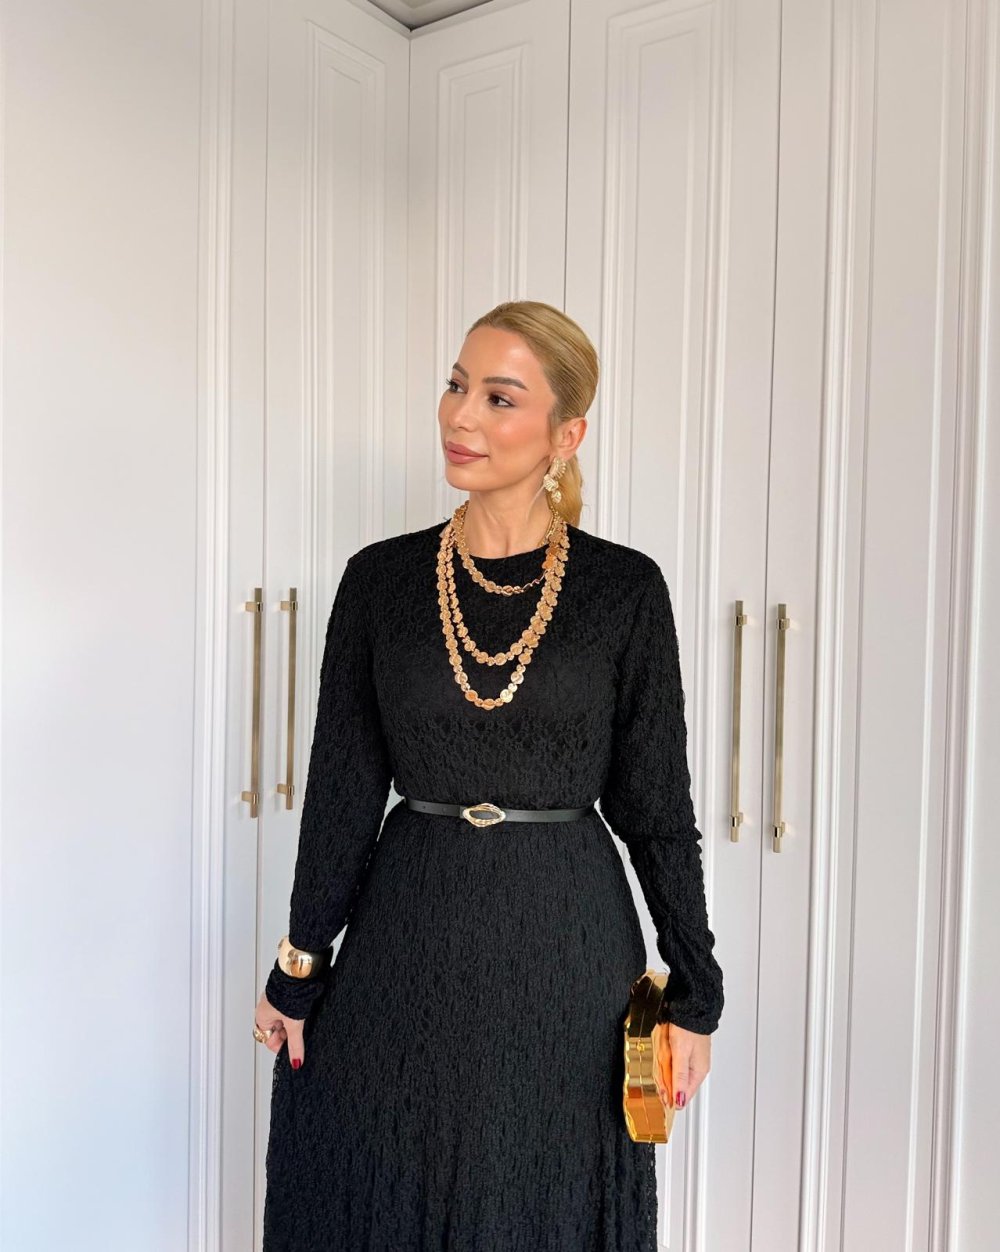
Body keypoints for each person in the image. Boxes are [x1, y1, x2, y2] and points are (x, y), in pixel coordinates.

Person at [254, 300, 724, 1250]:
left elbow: (656, 810)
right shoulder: (380, 581)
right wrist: (299, 963)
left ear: (566, 435)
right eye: (456, 385)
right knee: (378, 1186)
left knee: (539, 1200)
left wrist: (696, 994)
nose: (461, 415)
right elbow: (342, 791)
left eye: (499, 398)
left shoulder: (624, 590)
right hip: (404, 941)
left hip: (566, 955)